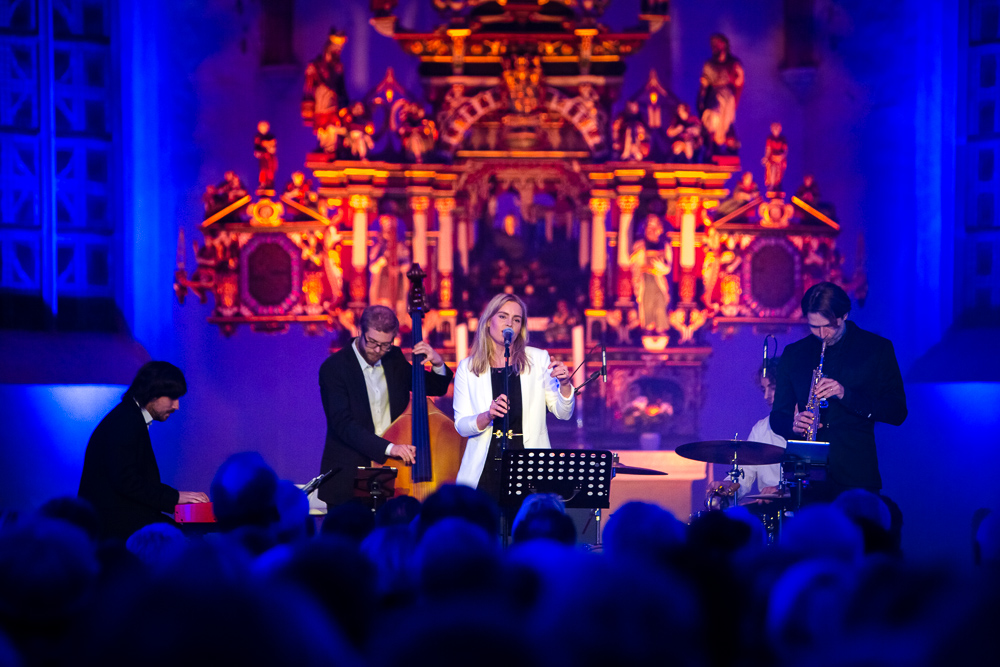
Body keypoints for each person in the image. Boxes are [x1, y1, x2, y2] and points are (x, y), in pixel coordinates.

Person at [769, 282, 907, 500]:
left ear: (845, 315)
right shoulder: (794, 354)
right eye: (814, 327)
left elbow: (897, 412)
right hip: (805, 471)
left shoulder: (877, 349)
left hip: (856, 473)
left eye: (828, 326)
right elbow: (777, 417)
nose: (822, 334)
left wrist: (846, 394)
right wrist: (793, 425)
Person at [318, 304, 454, 508]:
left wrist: (437, 363)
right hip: (351, 473)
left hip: (393, 472)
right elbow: (343, 424)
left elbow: (433, 387)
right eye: (372, 342)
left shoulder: (394, 358)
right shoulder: (334, 368)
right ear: (360, 332)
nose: (378, 350)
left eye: (386, 344)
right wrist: (390, 448)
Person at [453, 294, 575, 500]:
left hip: (530, 467)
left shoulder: (538, 359)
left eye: (517, 319)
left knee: (525, 530)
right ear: (487, 322)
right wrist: (487, 415)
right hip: (485, 467)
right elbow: (462, 426)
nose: (509, 323)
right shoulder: (468, 367)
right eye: (502, 316)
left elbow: (563, 414)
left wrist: (564, 385)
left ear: (520, 328)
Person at [78, 361, 209, 541]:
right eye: (172, 397)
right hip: (116, 531)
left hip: (118, 524)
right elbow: (126, 481)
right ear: (152, 393)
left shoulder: (127, 417)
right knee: (188, 546)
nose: (177, 406)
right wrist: (175, 497)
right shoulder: (126, 422)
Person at [738, 357, 787, 503]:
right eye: (763, 389)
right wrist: (727, 487)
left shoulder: (811, 424)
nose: (766, 396)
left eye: (772, 388)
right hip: (769, 511)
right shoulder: (761, 429)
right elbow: (744, 473)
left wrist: (783, 489)